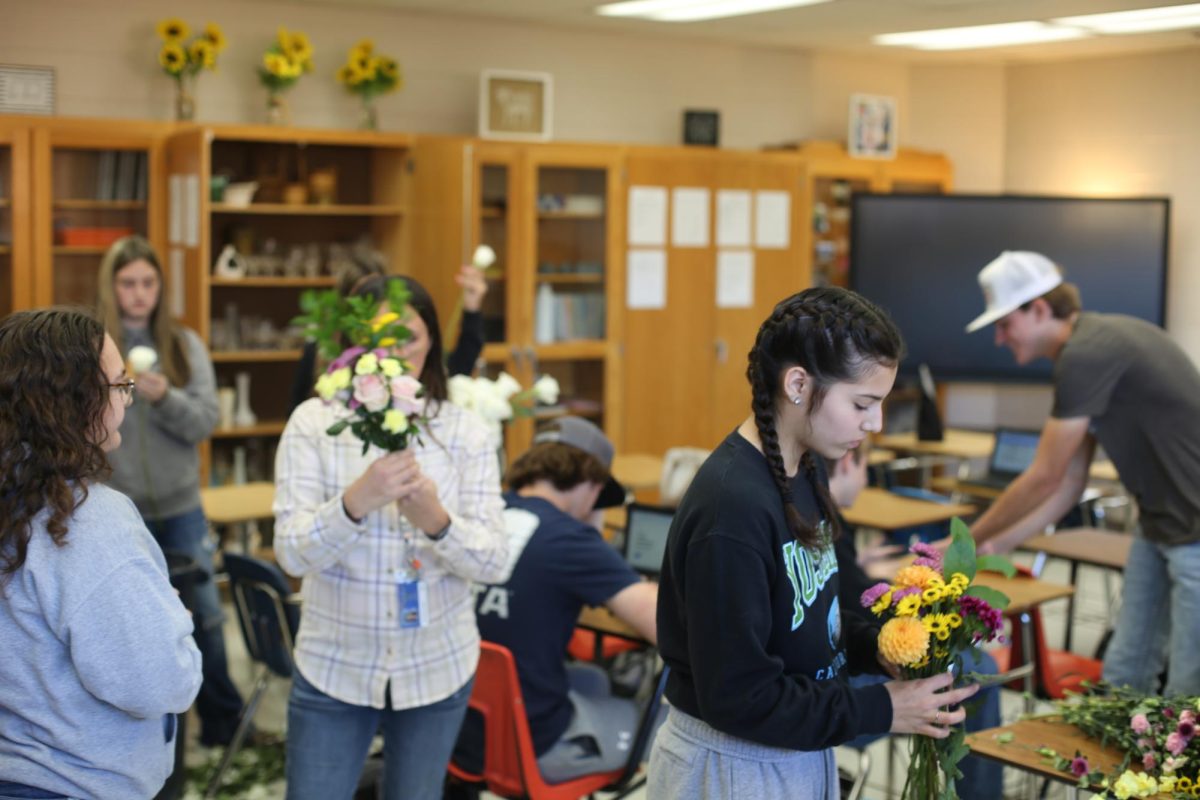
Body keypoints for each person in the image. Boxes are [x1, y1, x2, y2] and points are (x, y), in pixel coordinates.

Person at [648, 287, 979, 800]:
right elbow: (740, 697)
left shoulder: (802, 468)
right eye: (863, 404)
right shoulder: (731, 510)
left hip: (790, 750)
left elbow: (805, 620)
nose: (876, 424)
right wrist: (883, 708)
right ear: (798, 384)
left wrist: (877, 647)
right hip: (733, 768)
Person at [274, 273, 508, 799]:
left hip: (436, 665)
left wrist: (437, 522)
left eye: (409, 336)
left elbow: (494, 561)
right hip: (335, 664)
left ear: (432, 343)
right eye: (377, 338)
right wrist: (356, 501)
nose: (395, 352)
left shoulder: (464, 431)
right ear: (352, 346)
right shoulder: (314, 424)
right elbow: (290, 551)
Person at [964, 250, 1200, 696]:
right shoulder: (1095, 344)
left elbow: (1044, 476)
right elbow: (1069, 484)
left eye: (1004, 323)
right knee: (1124, 677)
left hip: (1193, 531)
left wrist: (967, 543)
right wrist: (998, 545)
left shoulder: (1086, 355)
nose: (999, 338)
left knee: (1189, 693)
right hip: (1160, 525)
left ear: (1038, 309)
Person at [0, 308, 202, 799]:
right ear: (70, 402)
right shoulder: (90, 519)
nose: (128, 401)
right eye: (118, 386)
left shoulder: (14, 494)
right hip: (75, 782)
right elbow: (158, 682)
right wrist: (171, 616)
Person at [94, 235, 246, 748]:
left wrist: (165, 397)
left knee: (204, 615)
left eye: (148, 283)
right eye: (128, 283)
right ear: (111, 287)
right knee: (133, 624)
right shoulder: (96, 346)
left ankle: (224, 725)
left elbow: (206, 420)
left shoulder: (183, 344)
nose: (139, 294)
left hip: (181, 506)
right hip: (118, 512)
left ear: (160, 287)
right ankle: (152, 734)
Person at [453, 417, 657, 786]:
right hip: (531, 745)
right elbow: (664, 623)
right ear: (591, 483)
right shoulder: (570, 541)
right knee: (657, 719)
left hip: (458, 732)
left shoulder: (483, 517)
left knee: (592, 679)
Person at [828, 448, 1003, 800]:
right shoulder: (823, 515)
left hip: (834, 675)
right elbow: (860, 607)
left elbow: (840, 585)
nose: (866, 482)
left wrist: (860, 568)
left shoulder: (806, 503)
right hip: (840, 694)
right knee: (980, 672)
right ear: (848, 460)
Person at [288, 250, 488, 414]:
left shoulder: (404, 344)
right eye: (365, 299)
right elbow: (296, 410)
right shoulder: (321, 351)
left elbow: (456, 369)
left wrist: (472, 310)